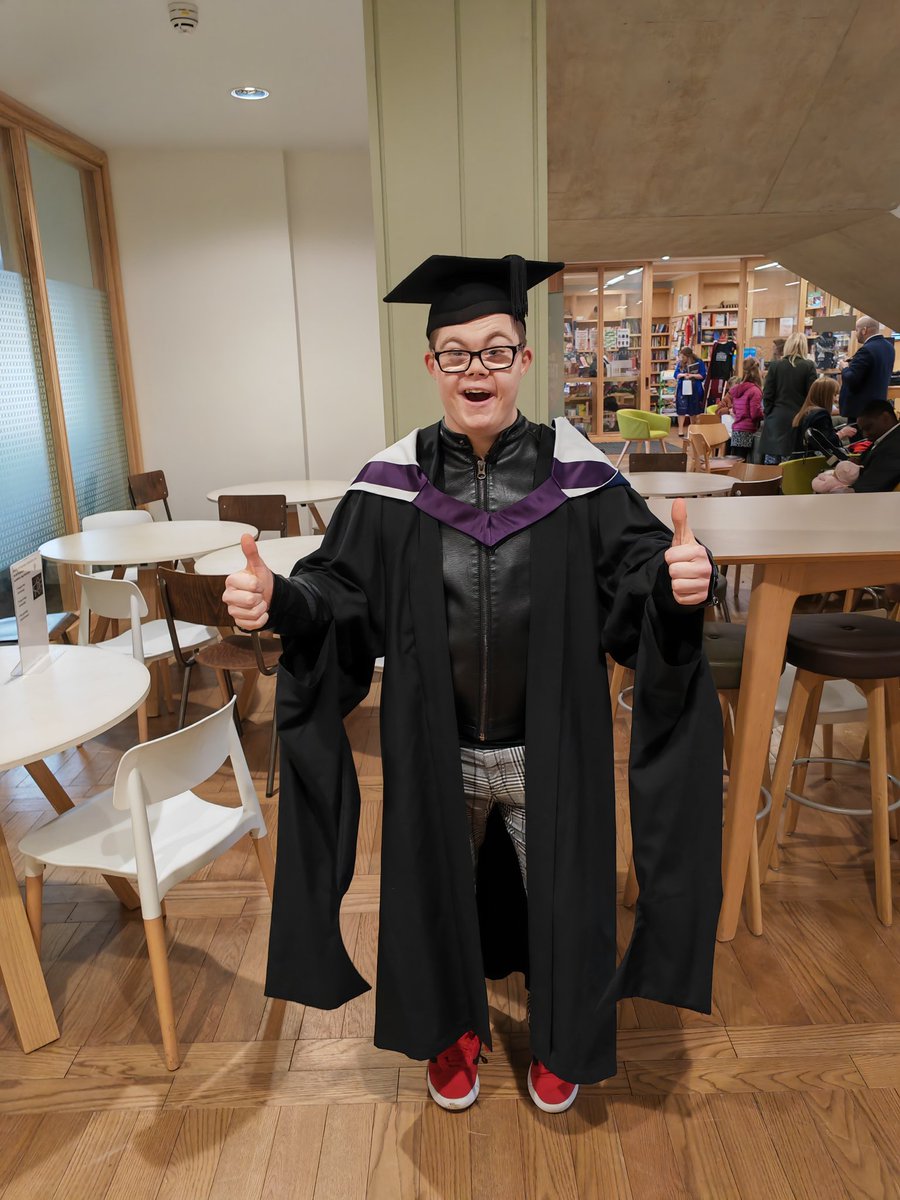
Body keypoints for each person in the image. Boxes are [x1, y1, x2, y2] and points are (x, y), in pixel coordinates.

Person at [223, 253, 722, 1116]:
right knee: (430, 898)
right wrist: (280, 601)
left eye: (495, 351)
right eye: (456, 353)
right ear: (431, 367)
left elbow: (636, 576)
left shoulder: (582, 479)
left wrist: (675, 584)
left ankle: (563, 1037)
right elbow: (338, 594)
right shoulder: (390, 484)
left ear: (525, 360)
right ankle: (450, 1030)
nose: (476, 370)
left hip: (547, 749)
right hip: (435, 749)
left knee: (566, 903)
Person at [758, 332, 817, 463]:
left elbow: (767, 395)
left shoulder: (775, 366)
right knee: (793, 467)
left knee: (772, 470)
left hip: (776, 421)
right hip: (799, 420)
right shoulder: (809, 366)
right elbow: (812, 396)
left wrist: (769, 413)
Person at [839, 317, 895, 423]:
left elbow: (852, 379)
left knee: (860, 439)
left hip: (861, 410)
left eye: (856, 330)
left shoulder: (866, 350)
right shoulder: (889, 347)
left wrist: (845, 368)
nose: (855, 333)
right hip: (878, 406)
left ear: (864, 330)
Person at [847, 399, 900, 492]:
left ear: (885, 417)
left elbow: (868, 487)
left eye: (868, 428)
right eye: (862, 430)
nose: (865, 435)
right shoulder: (886, 439)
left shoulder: (893, 447)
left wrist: (840, 487)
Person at [792, 377, 841, 456]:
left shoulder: (803, 413)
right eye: (834, 395)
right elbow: (826, 443)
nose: (836, 399)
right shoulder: (820, 414)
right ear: (826, 395)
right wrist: (842, 433)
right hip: (814, 462)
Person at [728, 360, 764, 460]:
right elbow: (755, 413)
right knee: (747, 462)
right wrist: (764, 414)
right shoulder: (755, 390)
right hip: (748, 430)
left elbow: (735, 410)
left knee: (736, 462)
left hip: (736, 430)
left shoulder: (737, 389)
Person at [673, 346, 707, 436]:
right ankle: (680, 430)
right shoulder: (680, 363)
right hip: (682, 387)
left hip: (695, 388)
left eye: (683, 357)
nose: (682, 359)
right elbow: (675, 374)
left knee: (694, 409)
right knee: (681, 408)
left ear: (688, 356)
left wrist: (692, 375)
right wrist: (683, 374)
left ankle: (693, 429)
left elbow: (703, 375)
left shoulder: (699, 362)